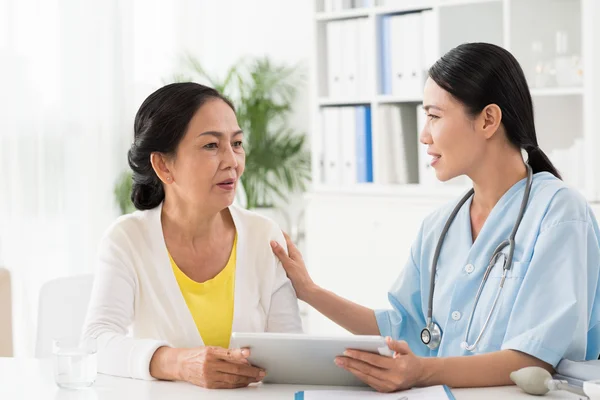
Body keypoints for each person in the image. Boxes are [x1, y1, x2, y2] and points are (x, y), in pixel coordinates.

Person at [271, 42, 600, 393]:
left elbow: (532, 359)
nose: (424, 135)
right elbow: (403, 328)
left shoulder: (560, 213)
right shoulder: (440, 226)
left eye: (434, 116)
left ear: (488, 119)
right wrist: (309, 292)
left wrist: (422, 372)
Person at [83, 82, 302, 389]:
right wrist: (179, 363)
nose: (232, 162)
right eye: (211, 146)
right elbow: (95, 341)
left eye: (237, 143)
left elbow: (291, 356)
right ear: (162, 165)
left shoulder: (264, 236)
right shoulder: (127, 239)